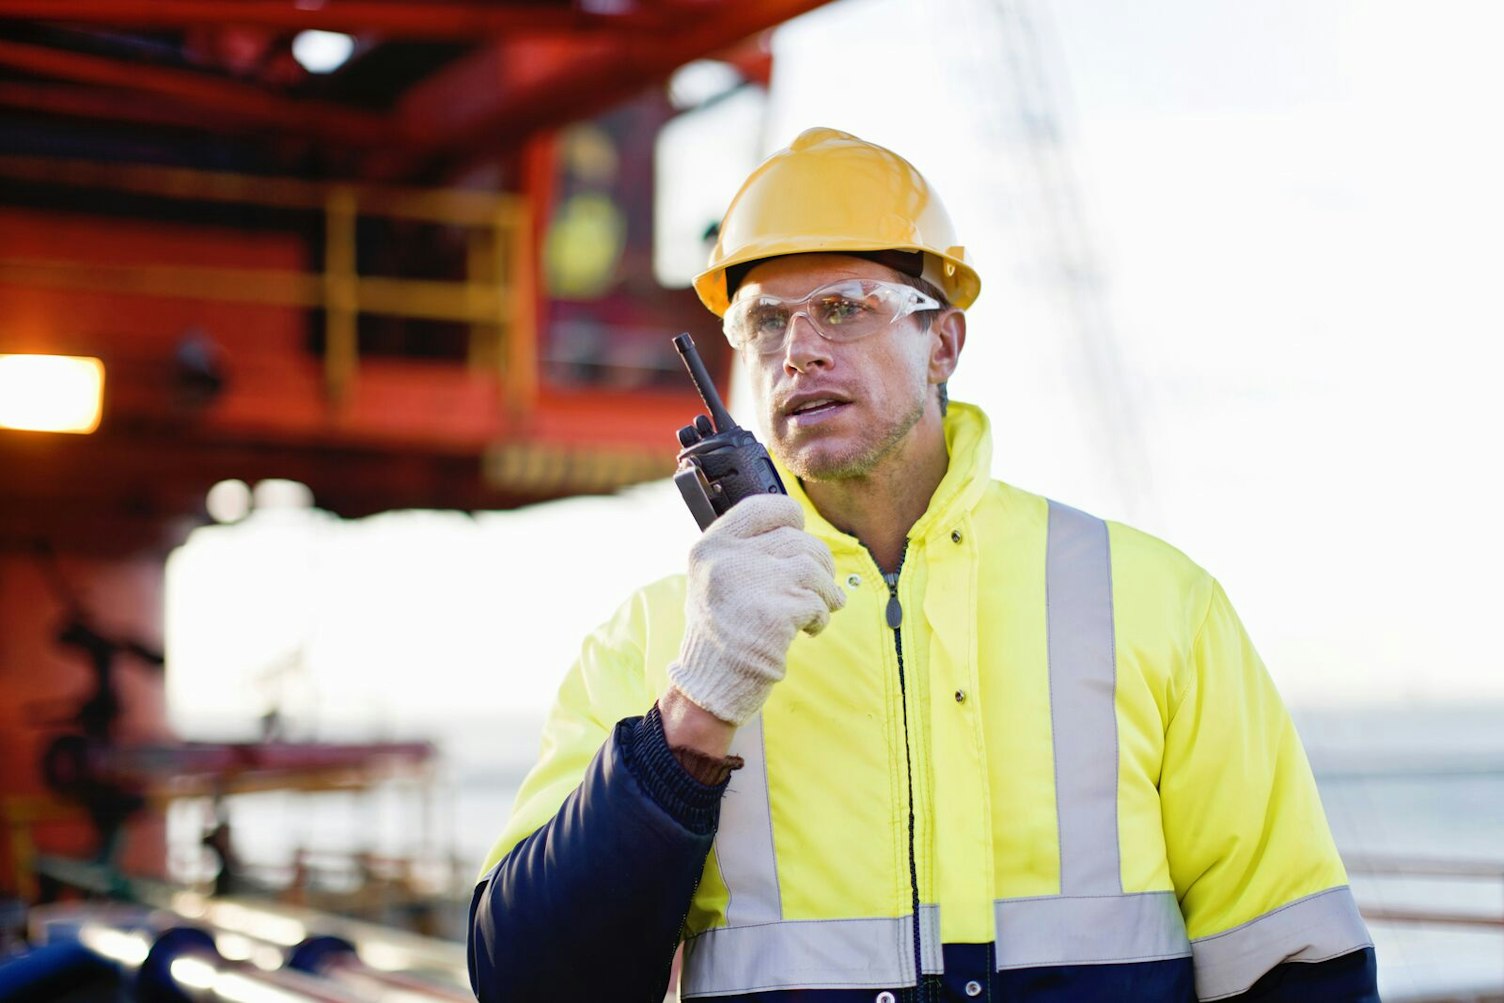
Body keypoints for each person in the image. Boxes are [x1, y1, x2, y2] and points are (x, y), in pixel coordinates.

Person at [467, 127, 1379, 1002]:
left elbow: (1293, 965)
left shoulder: (1155, 602)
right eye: (767, 322)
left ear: (943, 341)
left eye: (843, 308)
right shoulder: (657, 640)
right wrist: (695, 712)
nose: (800, 350)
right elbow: (530, 982)